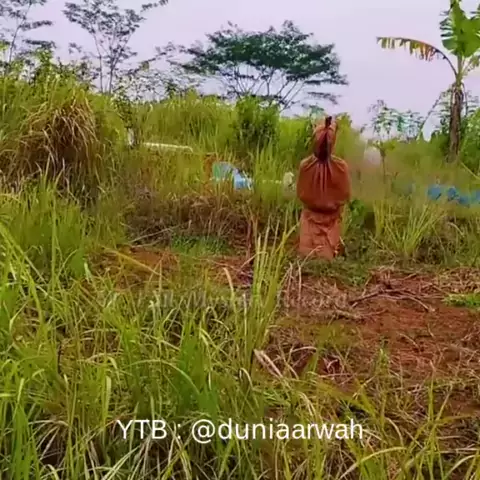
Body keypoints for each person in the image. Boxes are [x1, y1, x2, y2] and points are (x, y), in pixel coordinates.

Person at [296, 116, 351, 260]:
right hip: (331, 227)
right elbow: (345, 196)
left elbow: (300, 194)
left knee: (307, 260)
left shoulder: (305, 165)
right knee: (325, 261)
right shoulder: (341, 167)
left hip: (308, 225)